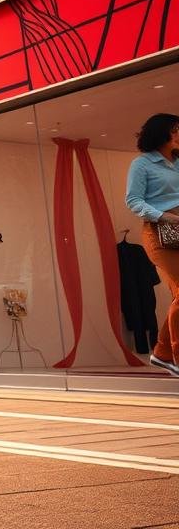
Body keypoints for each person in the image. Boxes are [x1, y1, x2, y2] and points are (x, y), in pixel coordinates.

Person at [124, 113, 179, 378]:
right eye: (177, 129)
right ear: (163, 133)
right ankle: (173, 356)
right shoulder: (142, 164)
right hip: (160, 231)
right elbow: (134, 201)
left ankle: (162, 352)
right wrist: (164, 216)